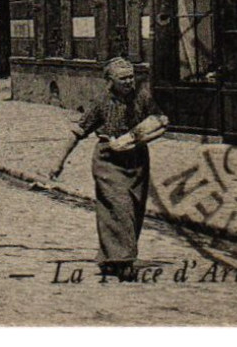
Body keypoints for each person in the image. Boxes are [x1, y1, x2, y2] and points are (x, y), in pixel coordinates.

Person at [49, 57, 168, 280]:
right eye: (123, 78)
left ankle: (109, 257)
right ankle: (124, 260)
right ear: (110, 80)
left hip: (137, 158)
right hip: (108, 160)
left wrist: (143, 135)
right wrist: (59, 162)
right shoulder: (101, 102)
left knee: (134, 208)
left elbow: (159, 119)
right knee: (118, 206)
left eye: (131, 77)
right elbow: (78, 132)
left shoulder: (142, 97)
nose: (129, 82)